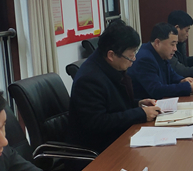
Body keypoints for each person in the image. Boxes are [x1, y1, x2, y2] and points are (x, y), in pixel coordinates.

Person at [68, 20, 162, 153]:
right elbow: (98, 122)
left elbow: (114, 105)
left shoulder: (108, 66)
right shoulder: (89, 79)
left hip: (117, 138)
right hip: (99, 149)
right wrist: (140, 114)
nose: (134, 59)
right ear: (111, 55)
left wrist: (138, 104)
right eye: (130, 56)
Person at [128, 23, 193, 99]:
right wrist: (188, 87)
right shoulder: (145, 59)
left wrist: (181, 80)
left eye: (176, 44)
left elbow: (171, 74)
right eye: (172, 44)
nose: (175, 49)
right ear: (157, 43)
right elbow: (156, 90)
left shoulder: (161, 54)